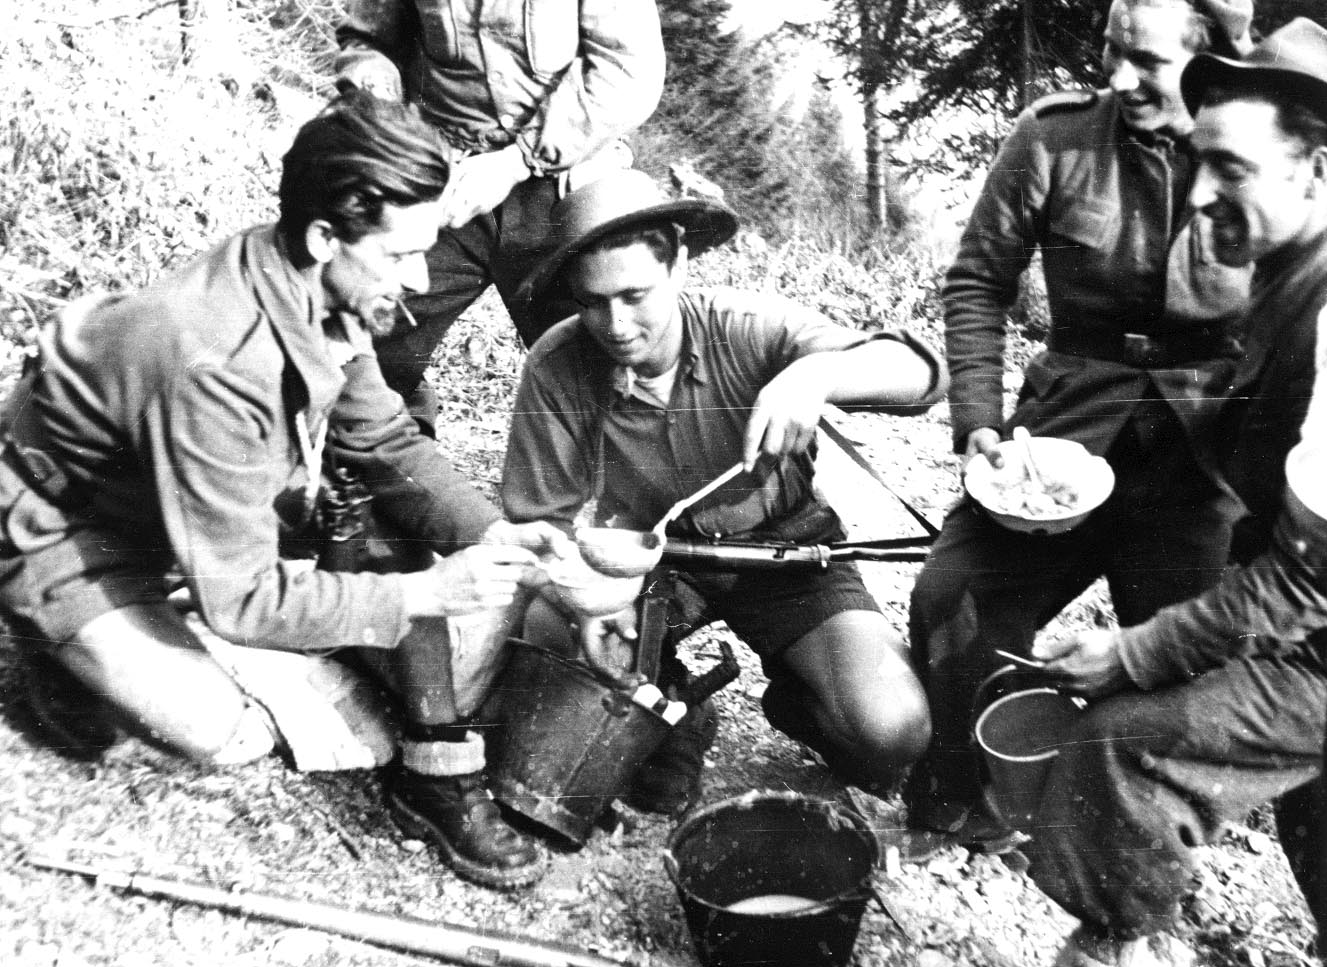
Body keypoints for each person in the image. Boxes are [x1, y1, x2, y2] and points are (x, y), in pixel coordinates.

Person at [0, 93, 569, 891]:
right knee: (218, 733)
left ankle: (169, 600)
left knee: (357, 574)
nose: (418, 279)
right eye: (401, 254)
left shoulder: (321, 283)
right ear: (324, 236)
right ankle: (56, 644)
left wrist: (487, 533)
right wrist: (423, 590)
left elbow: (384, 440)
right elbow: (242, 601)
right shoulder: (218, 357)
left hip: (174, 498)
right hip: (66, 516)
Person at [1001, 19, 1327, 967]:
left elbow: (1303, 585)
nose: (1196, 196)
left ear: (1314, 173)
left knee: (1121, 741)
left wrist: (1133, 651)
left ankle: (1113, 965)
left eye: (1227, 168)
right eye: (1194, 164)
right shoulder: (1292, 280)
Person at [902, 0, 1257, 859]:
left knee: (1189, 656)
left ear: (1206, 64)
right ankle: (968, 795)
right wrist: (980, 424)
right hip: (1064, 432)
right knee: (951, 600)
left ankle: (1140, 837)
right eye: (1109, 51)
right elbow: (978, 280)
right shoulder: (1053, 137)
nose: (1117, 78)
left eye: (1144, 60)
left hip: (1198, 447)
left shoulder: (1259, 160)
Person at [499, 169, 947, 813]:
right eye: (593, 301)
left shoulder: (751, 327)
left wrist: (816, 377)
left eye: (634, 294)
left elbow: (924, 374)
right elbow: (539, 525)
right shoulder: (557, 364)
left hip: (787, 557)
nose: (615, 323)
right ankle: (676, 705)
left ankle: (801, 693)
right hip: (654, 570)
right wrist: (587, 596)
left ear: (679, 263)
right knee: (546, 640)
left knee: (892, 732)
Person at [333, 0, 666, 423]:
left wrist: (516, 161)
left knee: (607, 370)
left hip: (567, 185)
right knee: (367, 343)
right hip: (446, 179)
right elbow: (367, 41)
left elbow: (628, 73)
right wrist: (390, 123)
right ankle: (390, 466)